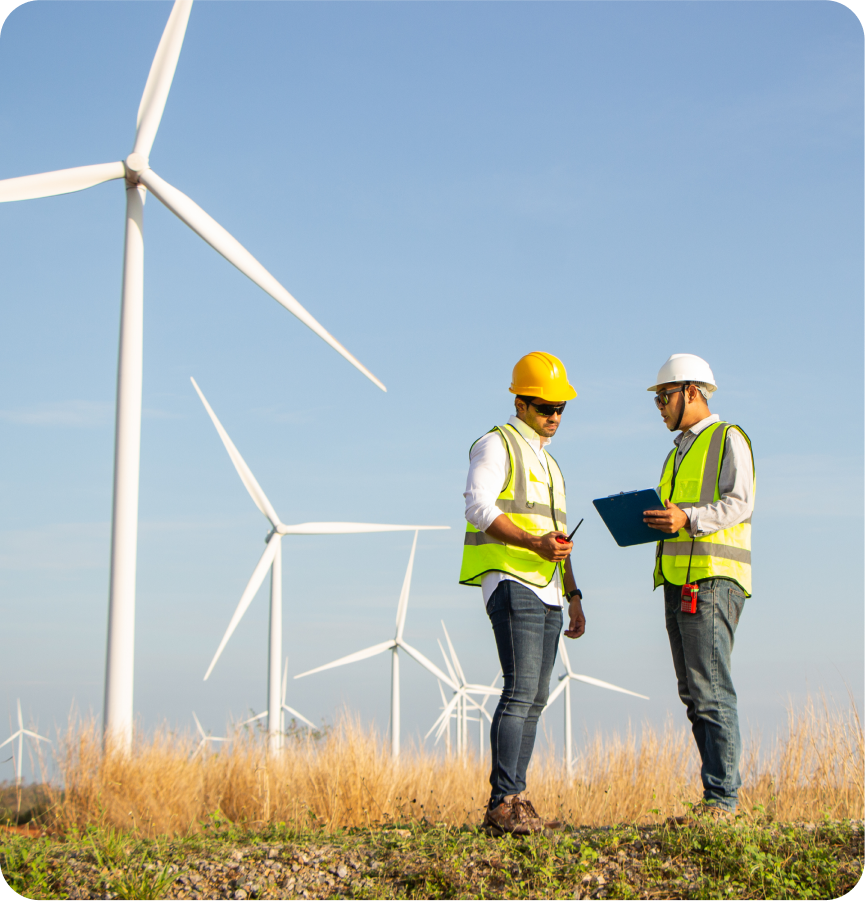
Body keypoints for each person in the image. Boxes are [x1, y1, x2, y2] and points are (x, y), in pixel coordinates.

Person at [460, 351, 585, 835]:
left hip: (550, 591)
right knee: (519, 690)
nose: (553, 416)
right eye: (543, 407)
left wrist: (574, 595)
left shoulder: (551, 465)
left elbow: (560, 537)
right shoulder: (497, 445)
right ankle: (502, 803)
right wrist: (532, 542)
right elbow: (478, 506)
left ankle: (516, 799)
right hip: (512, 579)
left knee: (535, 696)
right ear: (520, 401)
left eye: (560, 408)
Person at [642, 353, 754, 823]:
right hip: (677, 581)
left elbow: (740, 503)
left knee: (711, 692)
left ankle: (723, 803)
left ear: (692, 392)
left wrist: (687, 517)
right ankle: (715, 798)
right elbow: (679, 516)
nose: (660, 406)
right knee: (693, 693)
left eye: (665, 397)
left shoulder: (728, 439)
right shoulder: (676, 453)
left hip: (711, 581)